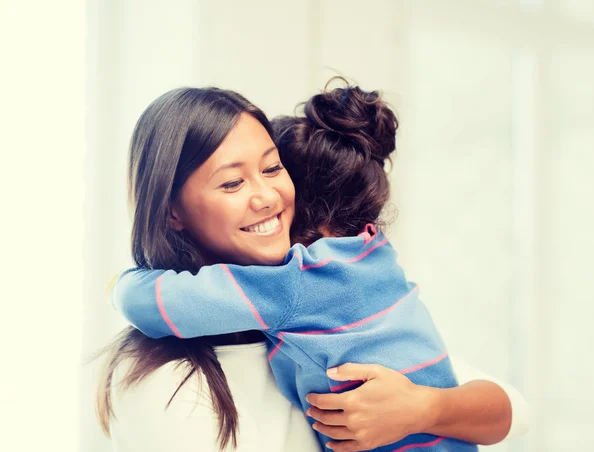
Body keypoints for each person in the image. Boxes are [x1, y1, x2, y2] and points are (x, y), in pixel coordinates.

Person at [97, 85, 528, 452]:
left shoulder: (302, 290)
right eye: (232, 182)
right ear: (173, 211)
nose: (266, 196)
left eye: (272, 168)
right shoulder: (368, 258)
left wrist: (422, 408)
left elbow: (512, 408)